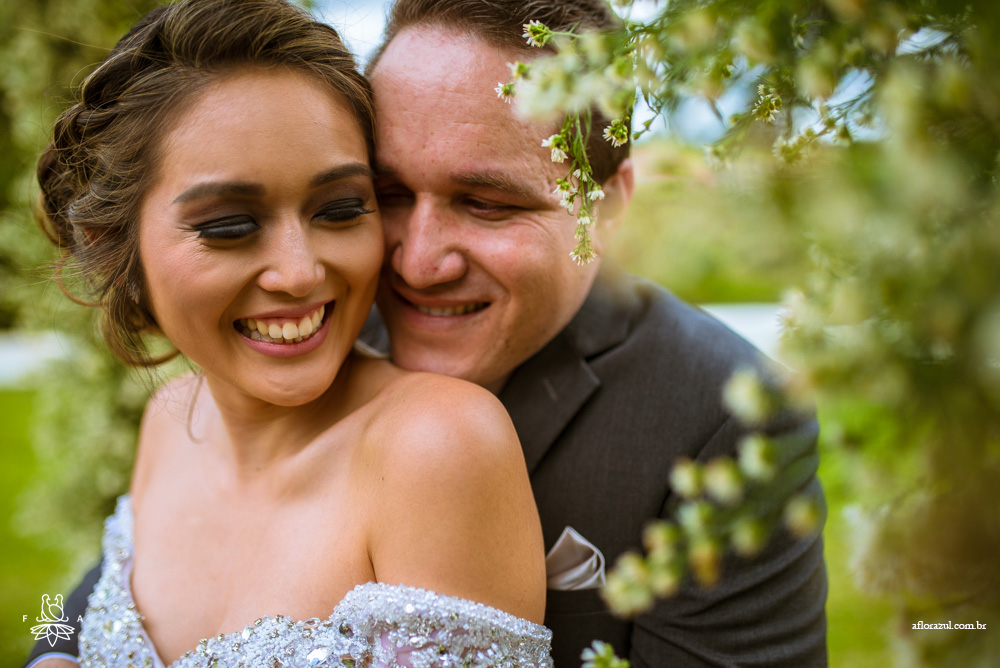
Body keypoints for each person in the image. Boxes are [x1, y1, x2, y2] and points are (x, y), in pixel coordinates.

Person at [29, 0, 828, 666]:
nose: (414, 262)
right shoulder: (244, 366)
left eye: (487, 203)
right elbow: (91, 598)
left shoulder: (723, 412)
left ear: (608, 208)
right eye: (384, 195)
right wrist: (47, 654)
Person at [23, 1, 551, 667]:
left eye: (340, 209)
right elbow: (69, 606)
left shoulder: (436, 445)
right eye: (229, 226)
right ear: (113, 244)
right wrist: (51, 655)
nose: (301, 274)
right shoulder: (171, 416)